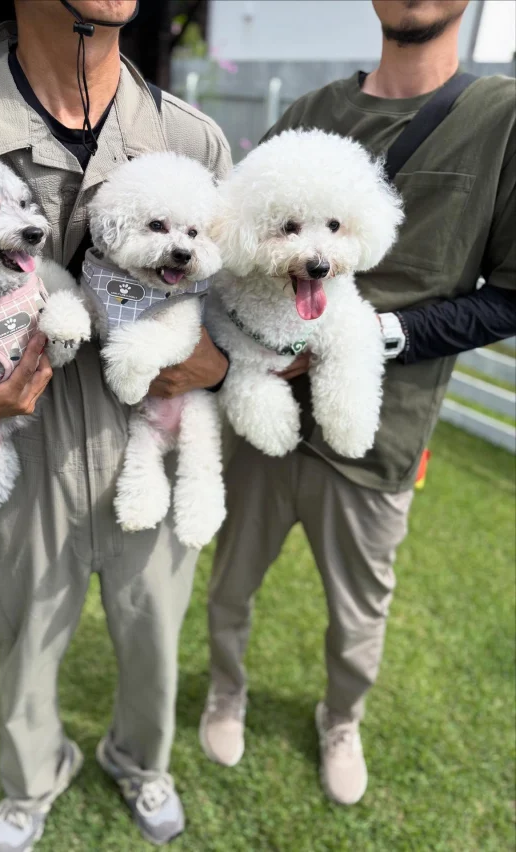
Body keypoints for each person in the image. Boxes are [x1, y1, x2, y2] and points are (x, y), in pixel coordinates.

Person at [0, 1, 231, 849]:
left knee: (154, 632)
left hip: (152, 426)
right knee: (24, 632)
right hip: (15, 438)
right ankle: (30, 782)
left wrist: (221, 357)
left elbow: (234, 282)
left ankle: (143, 763)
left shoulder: (194, 136)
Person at [200, 0, 516, 808]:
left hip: (381, 433)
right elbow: (235, 238)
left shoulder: (501, 117)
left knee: (358, 617)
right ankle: (224, 692)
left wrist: (372, 331)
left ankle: (342, 721)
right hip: (259, 410)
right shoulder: (312, 112)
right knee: (230, 585)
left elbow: (511, 295)